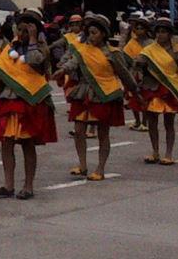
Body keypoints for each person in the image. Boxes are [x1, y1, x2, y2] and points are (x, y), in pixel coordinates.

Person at [53, 13, 138, 181]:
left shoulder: (113, 53)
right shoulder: (82, 50)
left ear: (104, 34)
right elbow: (72, 63)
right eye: (89, 33)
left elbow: (124, 74)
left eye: (95, 33)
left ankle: (100, 168)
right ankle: (82, 164)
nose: (91, 36)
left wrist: (134, 91)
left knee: (102, 133)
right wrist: (62, 70)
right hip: (83, 92)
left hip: (104, 94)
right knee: (79, 131)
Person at [0, 9, 58, 199]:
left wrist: (33, 40)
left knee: (27, 143)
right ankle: (8, 184)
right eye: (20, 29)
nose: (22, 34)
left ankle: (28, 186)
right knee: (6, 143)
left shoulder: (42, 49)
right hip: (8, 100)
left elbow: (36, 61)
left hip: (30, 102)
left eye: (27, 30)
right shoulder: (9, 49)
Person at [133, 17, 178, 165]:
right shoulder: (149, 50)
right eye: (158, 32)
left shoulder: (176, 50)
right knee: (152, 121)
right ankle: (155, 151)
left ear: (169, 33)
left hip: (170, 88)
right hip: (152, 87)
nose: (160, 35)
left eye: (163, 31)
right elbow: (138, 63)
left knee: (169, 122)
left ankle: (169, 154)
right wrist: (138, 64)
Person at [121, 12, 152, 132]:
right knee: (133, 98)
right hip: (133, 73)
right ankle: (137, 121)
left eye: (141, 28)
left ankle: (144, 122)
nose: (139, 30)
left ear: (146, 29)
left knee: (145, 97)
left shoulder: (151, 43)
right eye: (137, 28)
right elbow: (125, 57)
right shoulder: (131, 43)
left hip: (147, 74)